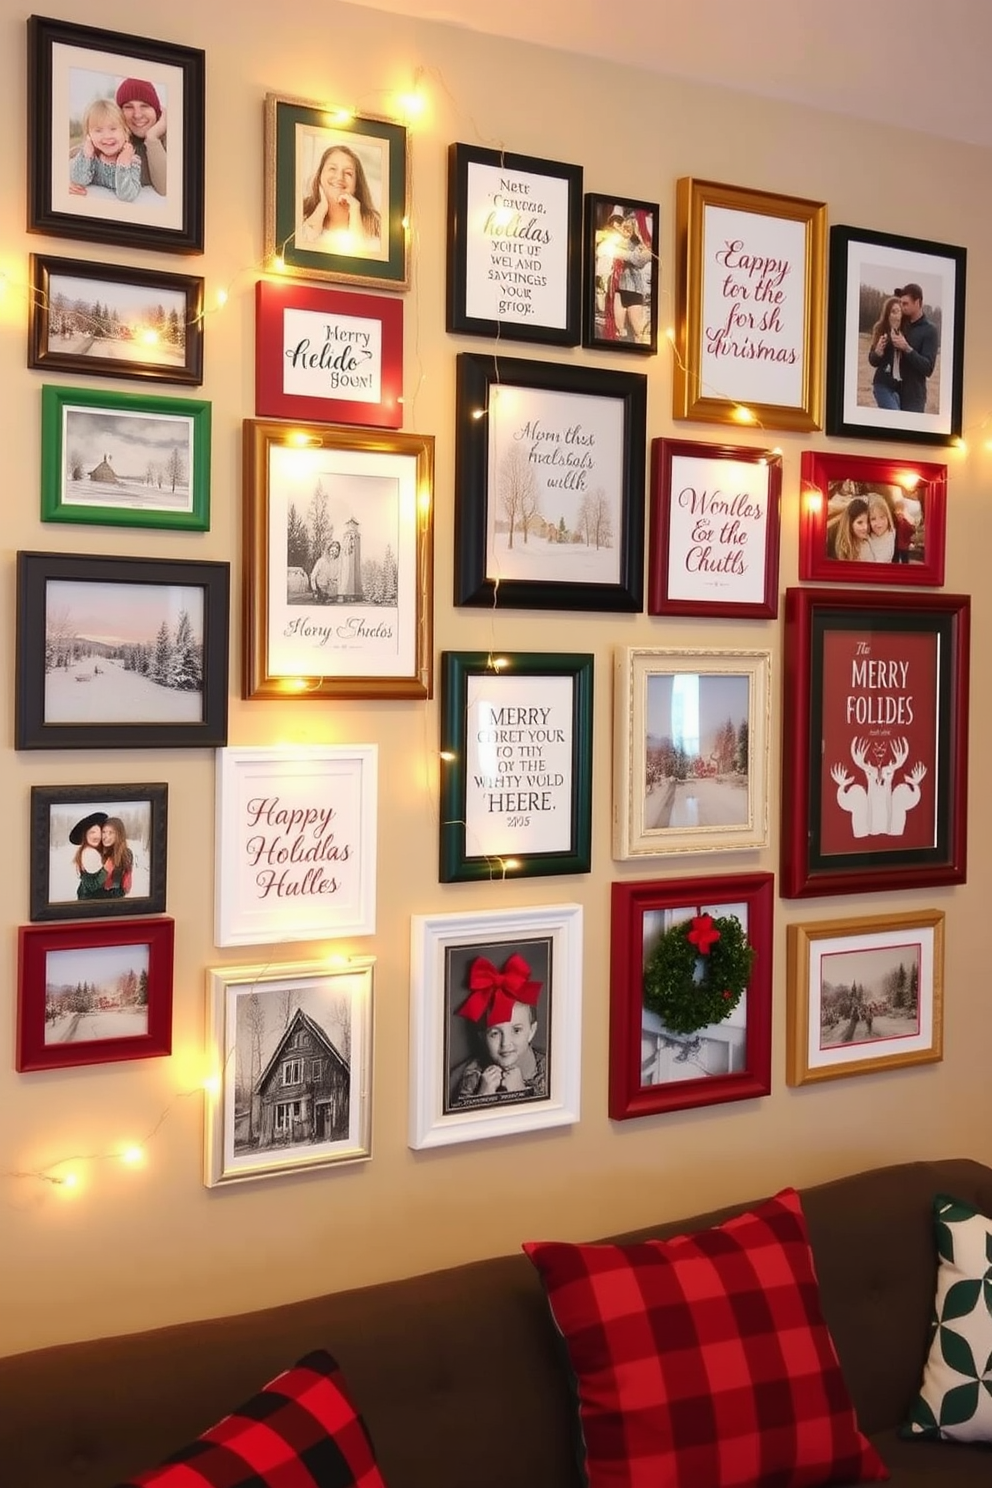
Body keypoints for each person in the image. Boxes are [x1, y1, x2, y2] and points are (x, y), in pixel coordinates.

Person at [448, 953, 548, 1107]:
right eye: (495, 1033)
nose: (505, 1044)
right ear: (482, 1037)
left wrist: (520, 1091)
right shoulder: (467, 1075)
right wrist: (483, 1094)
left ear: (532, 1031)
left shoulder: (550, 1069)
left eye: (516, 1030)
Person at [299, 145, 381, 254]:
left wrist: (355, 213)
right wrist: (321, 209)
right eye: (332, 168)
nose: (339, 177)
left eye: (348, 173)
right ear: (319, 176)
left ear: (356, 185)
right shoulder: (300, 211)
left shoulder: (375, 223)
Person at [69, 98, 142, 203]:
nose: (107, 136)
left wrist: (123, 164)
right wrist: (87, 154)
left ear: (125, 133)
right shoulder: (89, 155)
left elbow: (127, 195)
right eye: (98, 130)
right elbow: (78, 180)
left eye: (113, 129)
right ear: (89, 135)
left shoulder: (133, 161)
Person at [890, 283, 939, 414]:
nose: (902, 307)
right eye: (900, 303)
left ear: (917, 302)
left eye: (905, 303)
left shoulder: (930, 330)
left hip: (913, 399)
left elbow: (928, 368)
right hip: (892, 393)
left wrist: (907, 348)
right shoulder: (899, 323)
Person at [115, 78, 167, 195]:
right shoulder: (119, 139)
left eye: (145, 106)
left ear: (156, 110)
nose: (137, 115)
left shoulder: (175, 139)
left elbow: (166, 189)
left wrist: (152, 138)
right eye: (128, 107)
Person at [867, 296, 904, 409]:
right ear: (887, 314)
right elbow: (872, 360)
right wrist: (878, 353)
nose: (897, 315)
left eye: (900, 312)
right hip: (882, 384)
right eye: (893, 312)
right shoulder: (881, 330)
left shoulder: (906, 333)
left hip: (899, 388)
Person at [70, 811, 109, 900]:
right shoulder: (89, 853)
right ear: (85, 835)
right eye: (92, 832)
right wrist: (106, 870)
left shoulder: (99, 851)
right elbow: (92, 885)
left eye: (99, 832)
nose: (96, 836)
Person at [99, 817, 134, 899]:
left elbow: (125, 886)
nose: (105, 836)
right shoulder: (97, 852)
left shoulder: (125, 854)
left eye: (111, 833)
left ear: (119, 834)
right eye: (103, 832)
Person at [828, 496, 870, 561]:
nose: (865, 527)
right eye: (860, 523)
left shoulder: (871, 541)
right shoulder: (841, 549)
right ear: (850, 524)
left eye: (868, 521)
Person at [864, 493, 896, 562]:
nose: (879, 524)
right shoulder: (865, 538)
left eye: (882, 517)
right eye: (873, 519)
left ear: (888, 517)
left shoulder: (892, 533)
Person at [893, 498, 918, 564]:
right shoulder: (895, 523)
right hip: (896, 546)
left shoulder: (906, 524)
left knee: (905, 562)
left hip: (903, 547)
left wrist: (908, 541)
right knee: (895, 562)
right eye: (897, 514)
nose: (898, 516)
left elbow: (913, 531)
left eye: (899, 514)